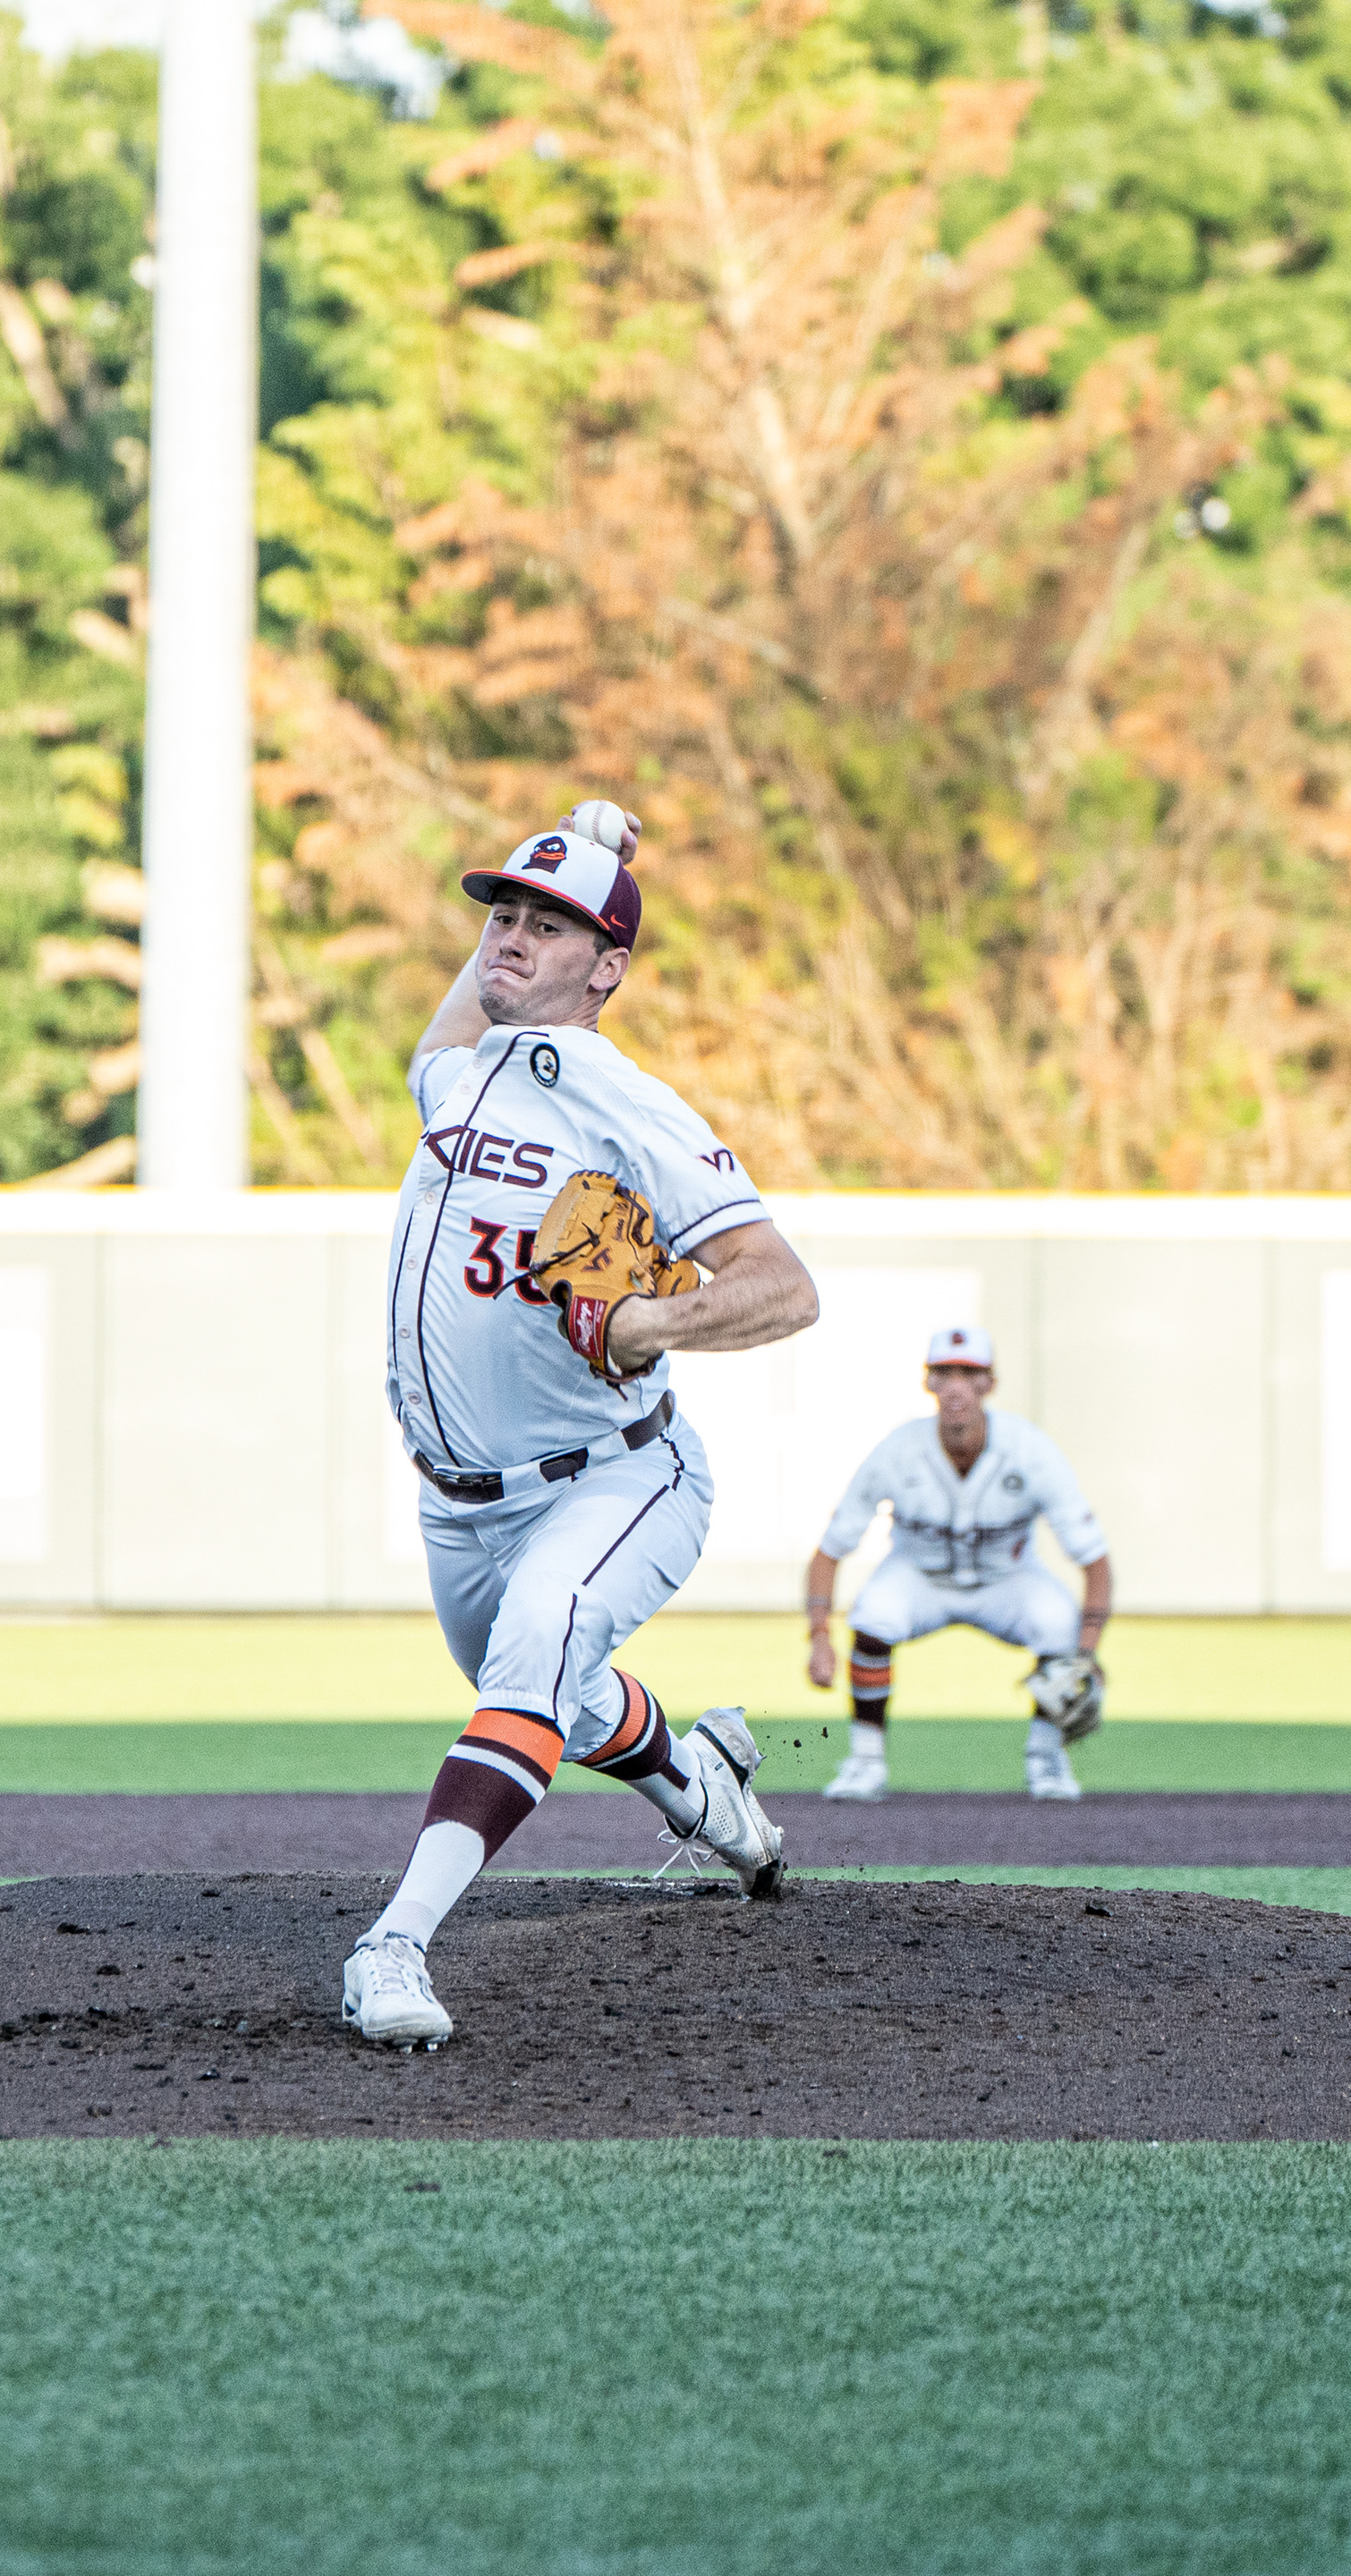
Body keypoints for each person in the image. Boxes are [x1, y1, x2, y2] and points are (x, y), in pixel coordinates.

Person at [344, 802, 820, 2049]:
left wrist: (648, 1323)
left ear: (608, 968)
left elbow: (784, 1285)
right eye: (500, 914)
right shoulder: (461, 1070)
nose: (508, 935)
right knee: (555, 1686)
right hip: (460, 1501)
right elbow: (447, 1026)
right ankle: (709, 1797)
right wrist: (559, 840)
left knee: (538, 1649)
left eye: (546, 925)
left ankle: (394, 1945)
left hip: (616, 1479)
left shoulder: (626, 1102)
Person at [805, 1326, 1112, 1802]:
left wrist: (1088, 1654)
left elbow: (1095, 1561)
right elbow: (829, 1552)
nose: (956, 1386)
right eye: (944, 1373)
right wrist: (819, 1636)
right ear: (928, 1383)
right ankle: (865, 1761)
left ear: (990, 1382)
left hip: (1007, 1580)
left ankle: (1047, 1758)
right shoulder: (898, 1450)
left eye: (969, 1373)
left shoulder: (1030, 1450)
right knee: (873, 1615)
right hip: (919, 1577)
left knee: (1057, 1621)